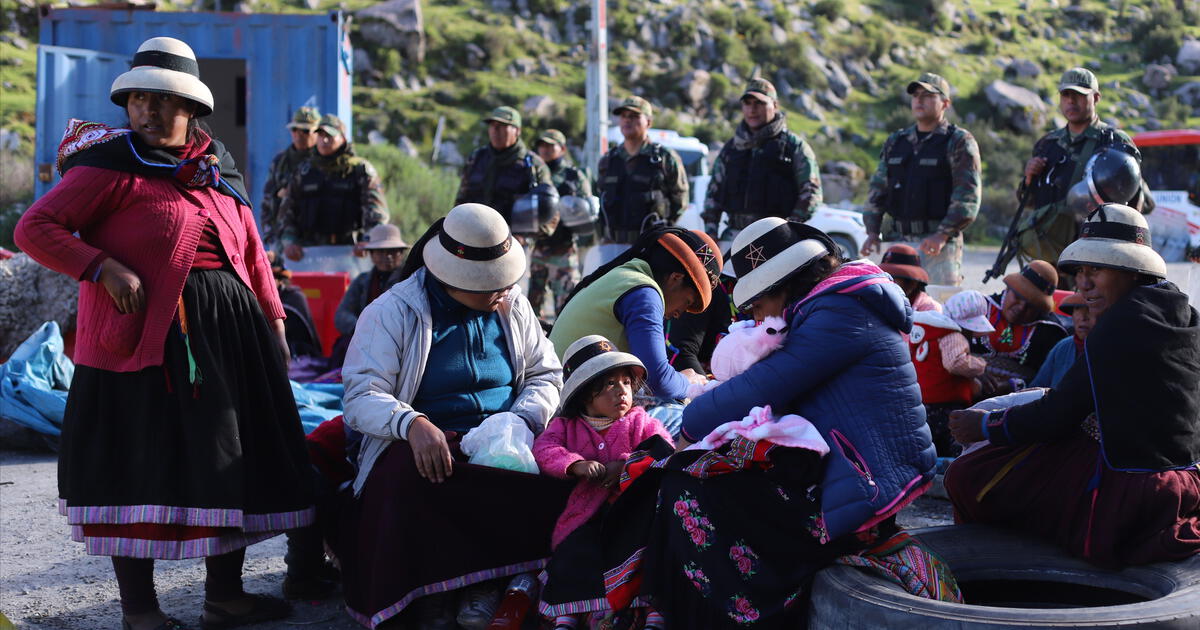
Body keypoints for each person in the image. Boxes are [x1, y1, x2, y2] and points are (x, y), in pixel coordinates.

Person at [13, 36, 314, 630]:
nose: (145, 112)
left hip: (231, 338)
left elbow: (252, 253)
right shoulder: (108, 168)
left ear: (191, 109)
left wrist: (274, 320)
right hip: (143, 341)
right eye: (136, 100)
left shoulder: (217, 170)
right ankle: (141, 612)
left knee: (228, 461)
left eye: (161, 101)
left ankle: (225, 598)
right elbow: (35, 227)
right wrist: (99, 266)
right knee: (140, 462)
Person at [601, 217, 936, 627]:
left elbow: (763, 384)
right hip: (847, 463)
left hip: (868, 477)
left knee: (687, 488)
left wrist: (688, 426)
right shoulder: (827, 306)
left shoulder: (840, 311)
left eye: (758, 305)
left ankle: (742, 613)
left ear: (784, 285)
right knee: (686, 474)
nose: (757, 318)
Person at [338, 203, 571, 629]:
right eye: (489, 285)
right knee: (413, 478)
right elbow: (360, 394)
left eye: (504, 281)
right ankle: (432, 590)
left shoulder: (512, 305)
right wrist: (412, 424)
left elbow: (546, 374)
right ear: (451, 279)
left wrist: (520, 421)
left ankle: (490, 582)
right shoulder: (392, 312)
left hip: (507, 436)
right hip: (427, 440)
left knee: (555, 480)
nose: (501, 291)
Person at [946, 203, 1200, 568]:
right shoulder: (1183, 312)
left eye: (1096, 269)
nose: (1082, 283)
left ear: (1131, 270)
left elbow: (1057, 415)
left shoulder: (1117, 325)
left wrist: (984, 425)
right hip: (1185, 480)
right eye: (1080, 271)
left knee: (971, 476)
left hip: (1132, 488)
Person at [533, 336, 672, 629]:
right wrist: (575, 465)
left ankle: (652, 608)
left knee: (648, 550)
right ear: (585, 395)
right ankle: (567, 611)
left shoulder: (640, 421)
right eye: (609, 385)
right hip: (586, 518)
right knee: (575, 553)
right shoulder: (566, 427)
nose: (621, 391)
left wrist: (626, 463)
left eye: (625, 382)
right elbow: (545, 449)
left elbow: (664, 446)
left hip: (633, 515)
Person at [548, 227, 722, 406]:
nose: (679, 314)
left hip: (570, 396)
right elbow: (658, 380)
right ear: (676, 278)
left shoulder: (627, 277)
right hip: (568, 407)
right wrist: (689, 383)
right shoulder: (644, 294)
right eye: (687, 302)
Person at [1017, 68, 1153, 267]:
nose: (1071, 101)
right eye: (1066, 95)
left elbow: (1141, 202)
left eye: (1079, 95)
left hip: (1095, 256)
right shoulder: (1047, 144)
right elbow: (1029, 202)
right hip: (1050, 253)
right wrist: (1029, 179)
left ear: (1096, 98)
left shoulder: (1114, 142)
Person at [861, 72, 981, 286]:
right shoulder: (896, 141)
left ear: (945, 103)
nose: (919, 100)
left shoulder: (958, 141)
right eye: (915, 95)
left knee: (937, 308)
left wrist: (942, 235)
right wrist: (872, 231)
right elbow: (877, 190)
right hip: (896, 242)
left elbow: (968, 197)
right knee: (893, 307)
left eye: (928, 95)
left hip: (937, 246)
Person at [703, 78, 823, 247]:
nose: (752, 109)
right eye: (747, 103)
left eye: (759, 103)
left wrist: (790, 227)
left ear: (774, 105)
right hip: (734, 237)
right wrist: (711, 232)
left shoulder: (793, 146)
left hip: (777, 238)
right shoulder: (731, 149)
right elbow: (712, 194)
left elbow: (812, 192)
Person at [279, 113, 387, 261]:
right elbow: (287, 214)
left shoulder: (360, 170)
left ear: (342, 138)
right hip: (310, 255)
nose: (324, 140)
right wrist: (289, 243)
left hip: (352, 255)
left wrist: (367, 241)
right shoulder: (303, 171)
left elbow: (377, 214)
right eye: (320, 135)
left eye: (329, 136)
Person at [910, 290, 994, 457]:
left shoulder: (931, 333)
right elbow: (955, 362)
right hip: (945, 403)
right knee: (954, 440)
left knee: (929, 441)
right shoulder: (954, 336)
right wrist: (981, 365)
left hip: (924, 400)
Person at [597, 96, 689, 245]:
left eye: (634, 116)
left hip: (650, 246)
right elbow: (601, 199)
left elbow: (680, 197)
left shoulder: (664, 158)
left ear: (648, 122)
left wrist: (664, 231)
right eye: (624, 116)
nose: (627, 120)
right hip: (613, 247)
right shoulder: (607, 161)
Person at [970, 260, 1068, 395]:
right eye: (1017, 296)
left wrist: (1012, 386)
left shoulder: (1050, 332)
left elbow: (1049, 380)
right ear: (1007, 289)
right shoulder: (977, 309)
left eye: (1031, 305)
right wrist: (971, 370)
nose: (1021, 307)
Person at [529, 128, 592, 320]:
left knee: (566, 308)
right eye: (542, 145)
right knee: (531, 308)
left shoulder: (573, 176)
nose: (545, 149)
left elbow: (587, 208)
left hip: (564, 250)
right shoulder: (534, 173)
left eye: (550, 145)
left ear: (562, 148)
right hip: (539, 248)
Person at [456, 106, 553, 226]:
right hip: (474, 231)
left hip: (513, 238)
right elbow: (462, 198)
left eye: (502, 126)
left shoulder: (534, 165)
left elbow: (549, 209)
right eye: (492, 125)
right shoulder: (476, 158)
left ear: (517, 130)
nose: (495, 130)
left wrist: (526, 236)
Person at [333, 223, 409, 339]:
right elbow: (341, 315)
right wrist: (363, 328)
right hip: (365, 341)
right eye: (381, 252)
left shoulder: (409, 282)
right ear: (372, 255)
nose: (387, 256)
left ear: (401, 254)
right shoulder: (362, 281)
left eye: (393, 251)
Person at [260, 106, 319, 251]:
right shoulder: (280, 162)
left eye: (305, 131)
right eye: (294, 130)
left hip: (317, 244)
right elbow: (267, 203)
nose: (299, 135)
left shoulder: (323, 162)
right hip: (283, 245)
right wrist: (271, 240)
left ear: (318, 133)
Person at [1028, 294, 1092, 389]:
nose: (1083, 317)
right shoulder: (1062, 347)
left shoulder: (1111, 350)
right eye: (1078, 308)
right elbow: (1036, 387)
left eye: (1090, 309)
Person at [879, 244, 942, 313]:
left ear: (912, 283)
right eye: (882, 278)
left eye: (892, 279)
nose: (885, 284)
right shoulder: (877, 302)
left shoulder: (930, 310)